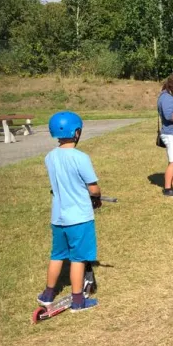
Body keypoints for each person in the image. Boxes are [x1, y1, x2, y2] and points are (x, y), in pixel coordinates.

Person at [37, 111, 100, 312]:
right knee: (78, 258)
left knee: (57, 255)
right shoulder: (81, 157)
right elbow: (93, 188)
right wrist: (97, 197)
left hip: (58, 217)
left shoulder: (50, 157)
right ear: (77, 132)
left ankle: (47, 294)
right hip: (79, 217)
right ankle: (78, 300)